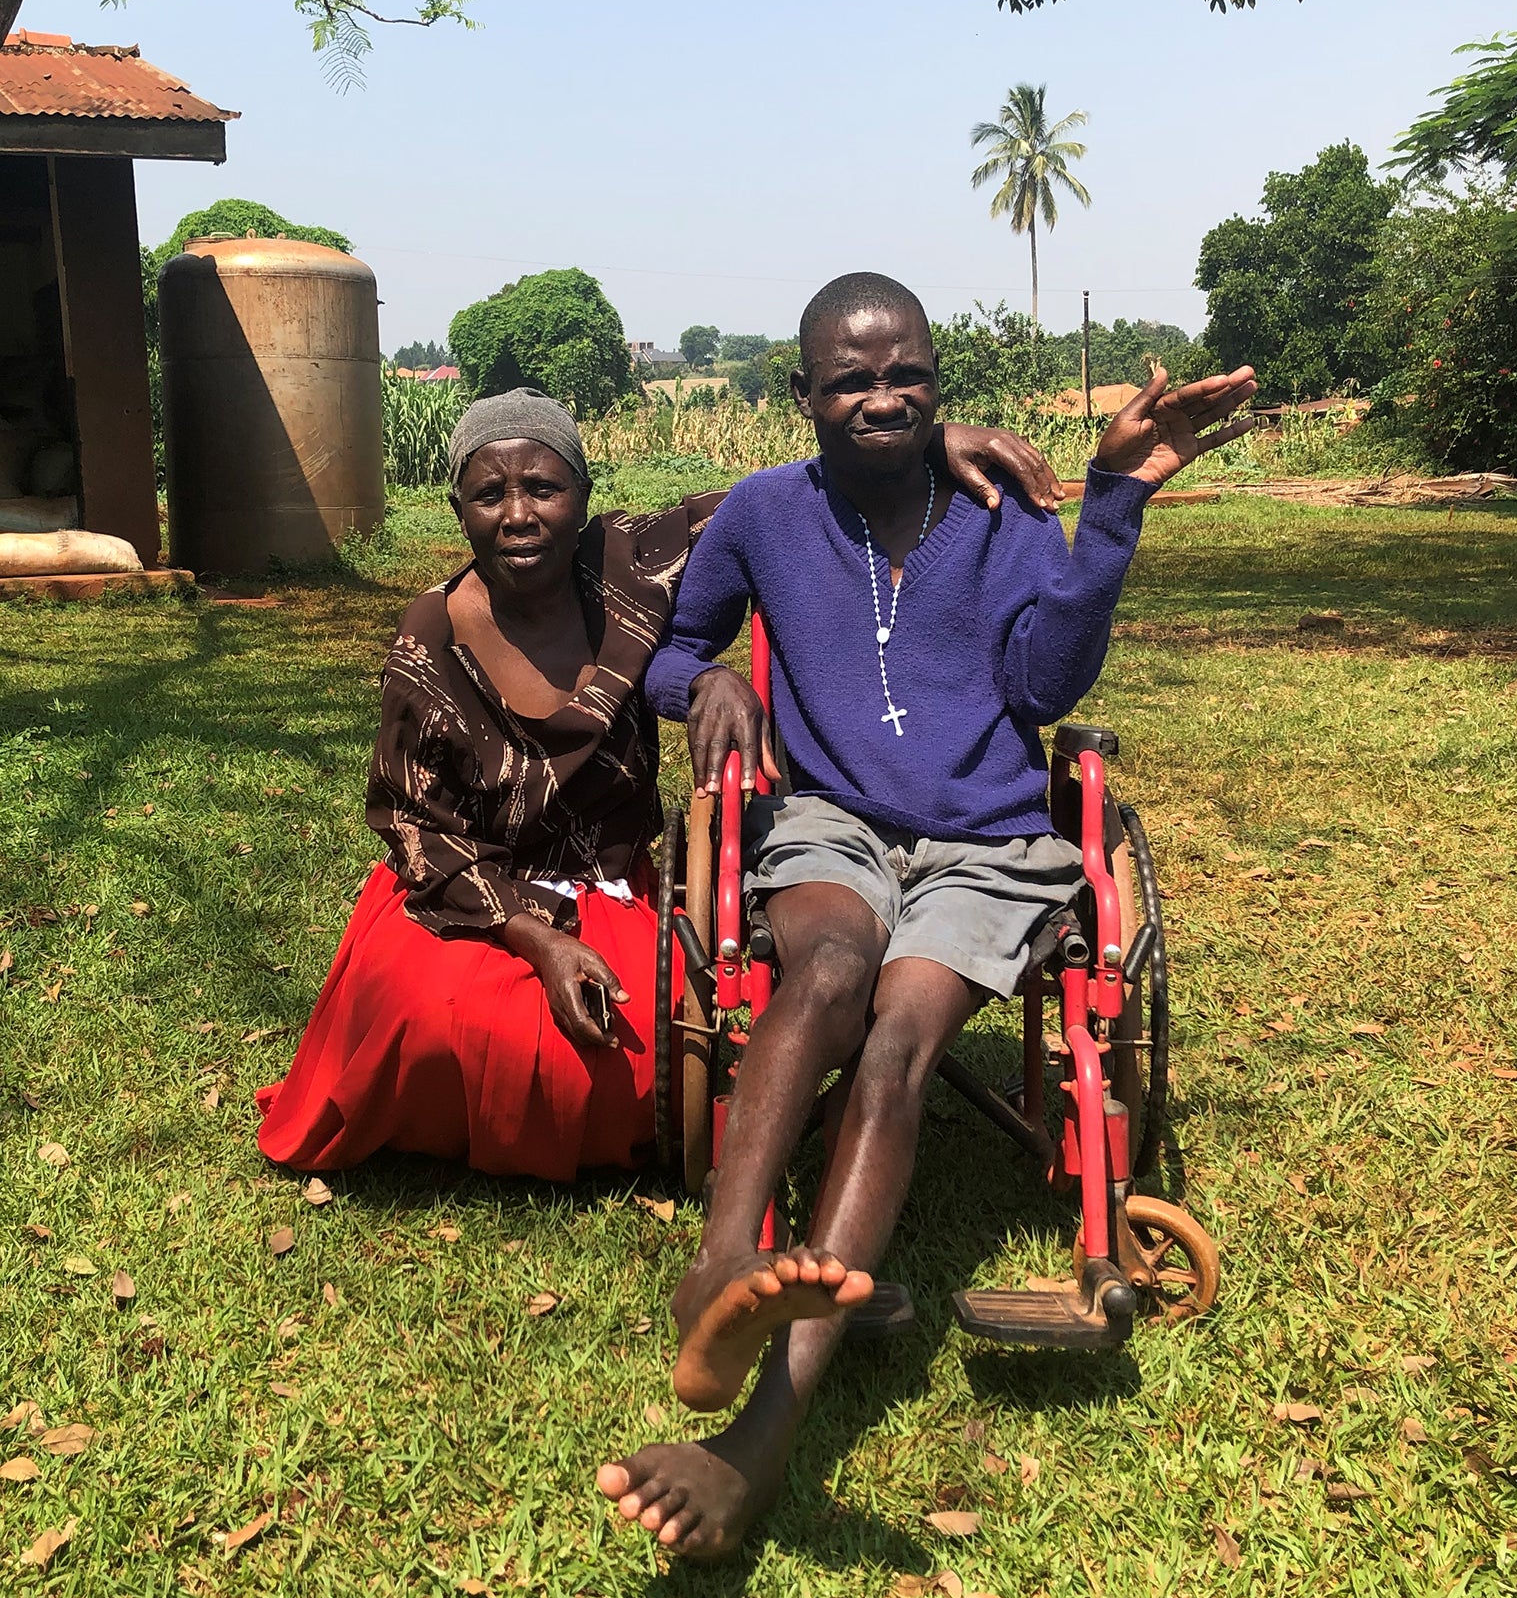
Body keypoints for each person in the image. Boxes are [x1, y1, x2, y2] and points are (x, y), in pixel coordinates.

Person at [598, 273, 1255, 1557]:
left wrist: (1113, 506)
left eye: (904, 373)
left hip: (990, 838)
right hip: (835, 822)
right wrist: (710, 681)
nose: (881, 396)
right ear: (806, 397)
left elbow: (1047, 678)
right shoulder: (766, 513)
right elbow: (664, 645)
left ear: (938, 381)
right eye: (849, 379)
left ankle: (764, 1435)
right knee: (828, 967)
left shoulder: (999, 510)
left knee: (900, 1033)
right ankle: (724, 1260)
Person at [255, 386, 1069, 1181]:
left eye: (543, 487)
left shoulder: (633, 563)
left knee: (638, 1054)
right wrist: (536, 939)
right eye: (488, 494)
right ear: (457, 508)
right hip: (471, 894)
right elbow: (411, 826)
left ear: (583, 495)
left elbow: (791, 494)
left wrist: (921, 443)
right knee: (430, 1018)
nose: (518, 516)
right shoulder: (428, 637)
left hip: (605, 885)